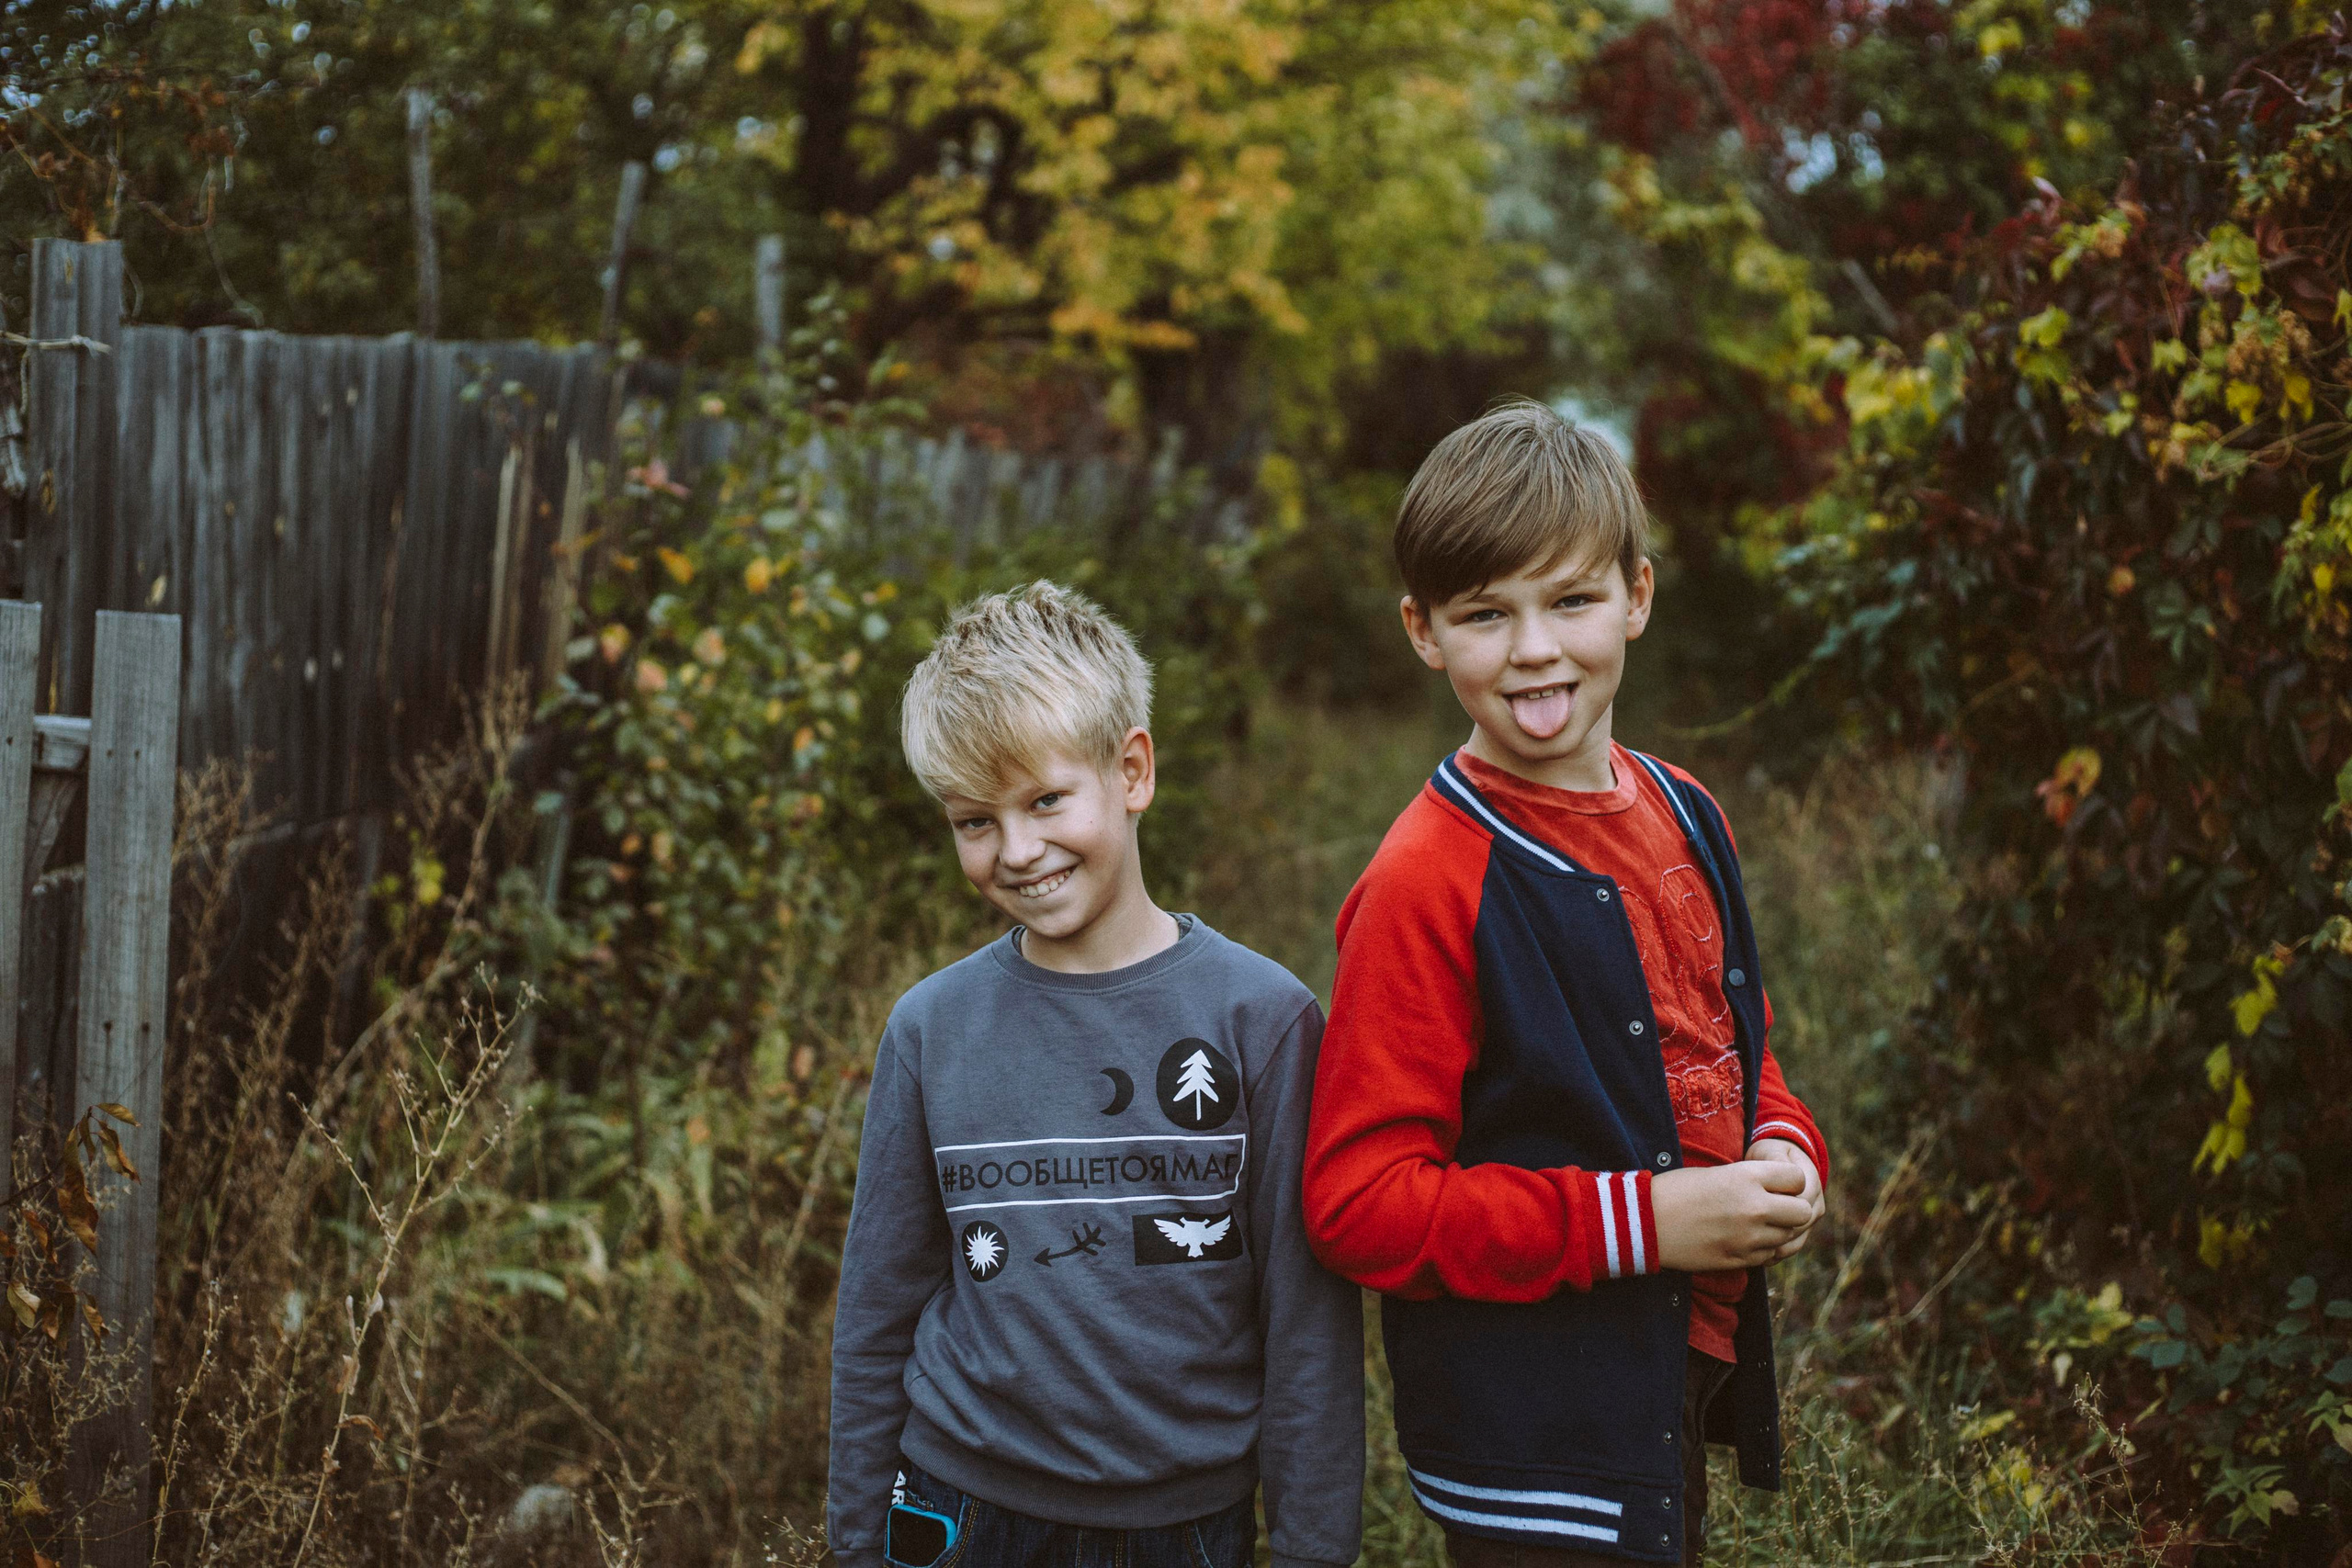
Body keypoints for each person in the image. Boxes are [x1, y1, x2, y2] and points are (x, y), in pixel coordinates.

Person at [1300, 402, 1830, 1568]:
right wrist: (1647, 1224)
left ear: (1636, 594)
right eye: (1485, 615)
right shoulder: (1427, 881)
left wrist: (1783, 1142)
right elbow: (1359, 1204)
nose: (1534, 650)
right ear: (1423, 632)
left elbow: (1729, 1040)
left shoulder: (1685, 811)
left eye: (1570, 601)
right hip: (1534, 1452)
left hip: (1665, 1390)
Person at [826, 581, 1364, 1568]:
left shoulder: (1264, 1019)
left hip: (1181, 1527)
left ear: (1131, 771)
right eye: (973, 820)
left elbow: (1307, 1329)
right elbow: (876, 1312)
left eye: (1044, 801)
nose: (1016, 851)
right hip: (960, 1511)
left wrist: (1311, 1549)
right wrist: (858, 1544)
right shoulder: (931, 1028)